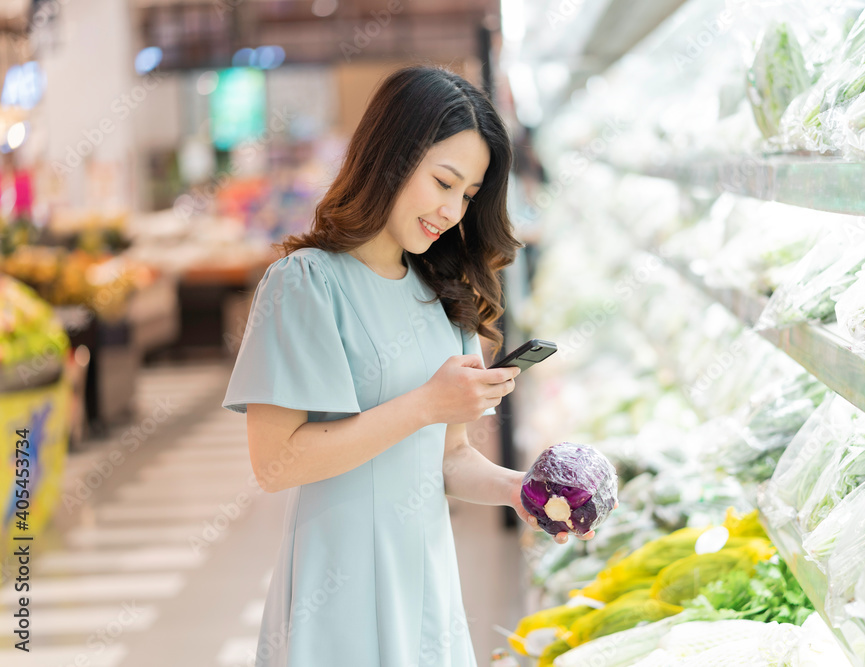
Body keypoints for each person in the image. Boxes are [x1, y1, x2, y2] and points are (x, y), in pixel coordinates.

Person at [221, 65, 602, 667]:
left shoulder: (446, 293)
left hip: (424, 585)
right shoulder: (305, 284)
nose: (453, 210)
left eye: (469, 195)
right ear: (391, 158)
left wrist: (516, 490)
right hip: (336, 590)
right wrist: (425, 403)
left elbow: (447, 458)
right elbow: (275, 462)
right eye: (443, 182)